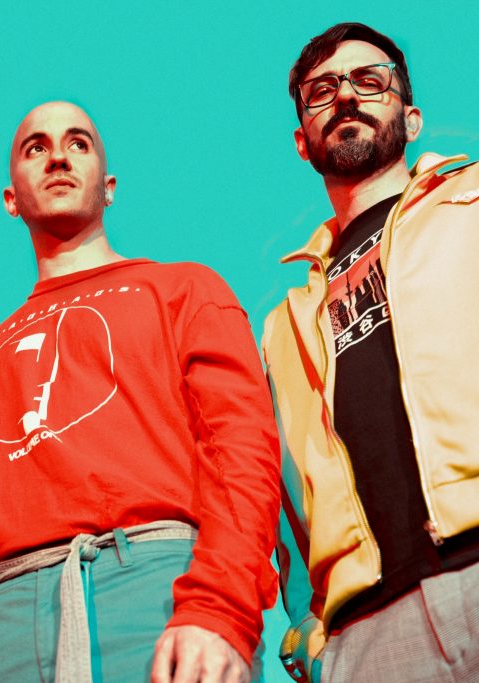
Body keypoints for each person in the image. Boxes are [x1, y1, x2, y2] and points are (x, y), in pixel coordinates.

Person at [0, 101, 280, 683]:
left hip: (154, 593)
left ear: (109, 187)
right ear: (11, 199)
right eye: (36, 148)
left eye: (79, 143)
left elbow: (241, 452)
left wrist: (221, 607)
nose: (58, 158)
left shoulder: (183, 289)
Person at [264, 22, 479, 682]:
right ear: (302, 141)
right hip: (370, 631)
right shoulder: (282, 326)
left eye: (369, 80)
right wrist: (309, 627)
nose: (346, 96)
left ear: (411, 119)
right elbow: (283, 493)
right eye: (322, 90)